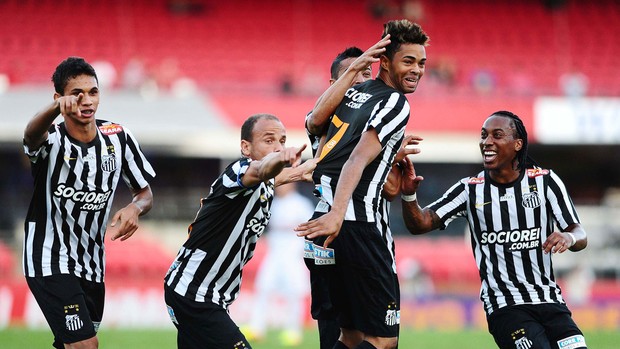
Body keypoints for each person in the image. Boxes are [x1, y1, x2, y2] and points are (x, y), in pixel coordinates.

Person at [399, 110, 588, 349]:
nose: (487, 142)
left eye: (497, 135)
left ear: (518, 144)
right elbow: (420, 223)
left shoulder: (545, 181)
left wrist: (569, 237)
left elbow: (580, 233)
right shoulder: (469, 189)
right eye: (483, 136)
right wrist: (408, 195)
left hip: (551, 302)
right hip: (505, 307)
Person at [296, 19, 430, 349]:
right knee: (385, 340)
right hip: (357, 226)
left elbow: (313, 122)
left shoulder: (356, 92)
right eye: (408, 61)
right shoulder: (396, 102)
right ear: (384, 61)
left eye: (422, 63)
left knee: (350, 336)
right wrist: (339, 214)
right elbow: (356, 159)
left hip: (324, 222)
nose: (417, 70)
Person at [22, 56, 156, 349]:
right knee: (85, 344)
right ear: (59, 98)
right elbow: (31, 135)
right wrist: (55, 110)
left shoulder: (118, 137)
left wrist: (135, 207)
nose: (86, 100)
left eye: (93, 92)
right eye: (76, 94)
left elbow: (145, 193)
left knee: (70, 344)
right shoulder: (52, 140)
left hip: (92, 263)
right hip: (49, 258)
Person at [164, 113, 316, 349]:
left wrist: (306, 168)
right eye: (269, 140)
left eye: (282, 141)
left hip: (208, 294)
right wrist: (282, 159)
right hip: (194, 293)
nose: (277, 146)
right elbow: (262, 170)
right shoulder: (238, 171)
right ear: (246, 147)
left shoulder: (266, 184)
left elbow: (276, 176)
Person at [244, 182, 315, 346]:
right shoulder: (273, 204)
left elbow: (311, 229)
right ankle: (257, 328)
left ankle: (293, 331)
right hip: (275, 253)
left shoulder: (301, 204)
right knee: (263, 287)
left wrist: (305, 253)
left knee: (294, 292)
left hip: (293, 255)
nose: (280, 187)